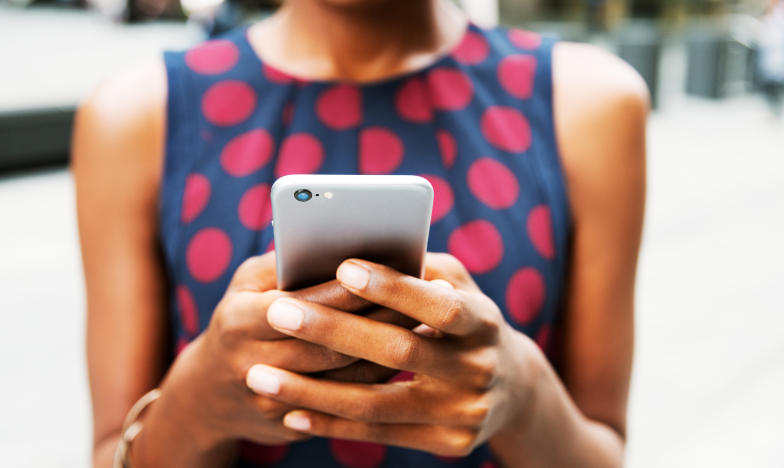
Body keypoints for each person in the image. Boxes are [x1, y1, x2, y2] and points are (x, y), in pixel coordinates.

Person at [72, 0, 648, 466]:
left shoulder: (590, 105)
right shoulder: (136, 116)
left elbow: (602, 448)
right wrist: (196, 407)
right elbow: (111, 452)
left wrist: (523, 396)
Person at [758, 0, 784, 117]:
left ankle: (776, 107)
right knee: (770, 81)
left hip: (777, 57)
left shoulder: (778, 18)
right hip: (770, 56)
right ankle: (773, 107)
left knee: (777, 81)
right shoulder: (769, 18)